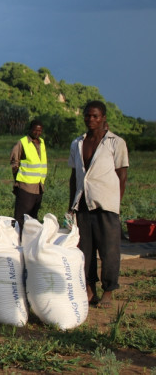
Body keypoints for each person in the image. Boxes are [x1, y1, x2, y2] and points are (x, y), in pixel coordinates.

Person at [69, 101, 128, 309]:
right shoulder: (77, 143)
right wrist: (71, 206)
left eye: (95, 116)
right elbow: (74, 176)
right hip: (83, 204)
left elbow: (122, 175)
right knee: (84, 250)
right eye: (87, 116)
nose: (91, 119)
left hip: (106, 205)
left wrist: (115, 202)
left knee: (109, 251)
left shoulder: (115, 143)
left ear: (103, 117)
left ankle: (108, 291)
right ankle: (90, 289)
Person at [10, 120, 46, 233]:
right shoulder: (22, 143)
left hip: (39, 186)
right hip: (25, 186)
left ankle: (29, 240)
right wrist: (17, 181)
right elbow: (14, 163)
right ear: (30, 129)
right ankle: (19, 240)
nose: (37, 132)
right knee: (21, 218)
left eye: (39, 130)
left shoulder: (42, 142)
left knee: (33, 218)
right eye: (35, 129)